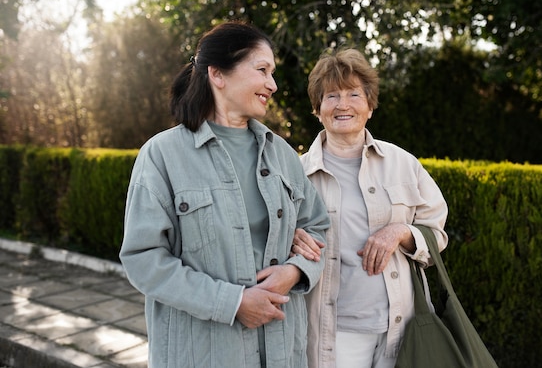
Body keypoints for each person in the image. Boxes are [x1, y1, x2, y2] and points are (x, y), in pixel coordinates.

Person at [119, 21, 329, 368]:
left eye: (272, 73)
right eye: (262, 70)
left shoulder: (282, 155)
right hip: (201, 354)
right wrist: (232, 303)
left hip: (281, 352)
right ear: (218, 74)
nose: (272, 85)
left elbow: (318, 227)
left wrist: (295, 271)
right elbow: (143, 259)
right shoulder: (161, 155)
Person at [291, 48, 449, 368]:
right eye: (331, 95)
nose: (343, 104)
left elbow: (436, 235)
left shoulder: (404, 164)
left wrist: (401, 232)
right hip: (335, 334)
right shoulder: (295, 174)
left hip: (401, 328)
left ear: (370, 106)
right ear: (317, 109)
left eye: (354, 94)